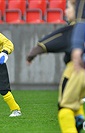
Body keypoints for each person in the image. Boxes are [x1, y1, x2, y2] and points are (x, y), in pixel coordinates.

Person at [26, 0, 85, 132]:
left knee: (65, 107)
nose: (65, 11)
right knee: (76, 101)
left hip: (76, 70)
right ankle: (80, 119)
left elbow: (55, 39)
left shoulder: (76, 29)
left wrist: (33, 52)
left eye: (68, 8)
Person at [58, 0, 85, 133]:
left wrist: (77, 47)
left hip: (79, 69)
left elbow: (81, 24)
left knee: (65, 107)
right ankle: (79, 120)